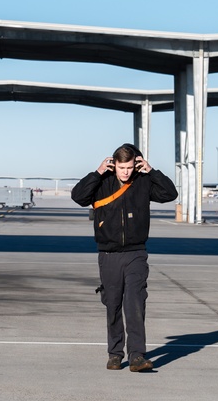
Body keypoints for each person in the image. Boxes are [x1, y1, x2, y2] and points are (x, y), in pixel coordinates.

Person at [71, 143, 177, 371]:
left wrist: (152, 170)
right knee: (113, 304)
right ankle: (115, 354)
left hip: (135, 253)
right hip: (108, 254)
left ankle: (137, 355)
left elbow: (170, 193)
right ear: (114, 165)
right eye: (122, 167)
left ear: (135, 165)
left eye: (130, 167)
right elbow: (78, 197)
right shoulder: (102, 182)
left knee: (135, 302)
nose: (126, 172)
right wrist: (97, 172)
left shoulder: (143, 182)